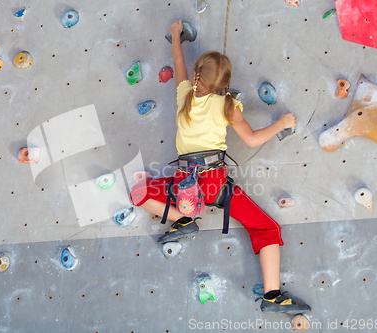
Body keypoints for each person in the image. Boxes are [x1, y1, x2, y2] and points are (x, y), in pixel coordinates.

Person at [130, 20, 310, 314]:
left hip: (183, 187)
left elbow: (179, 63)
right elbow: (251, 140)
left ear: (197, 76)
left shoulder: (184, 95)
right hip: (216, 188)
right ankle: (272, 295)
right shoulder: (229, 106)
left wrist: (176, 36)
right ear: (225, 86)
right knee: (266, 228)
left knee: (139, 192)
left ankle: (184, 219)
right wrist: (280, 123)